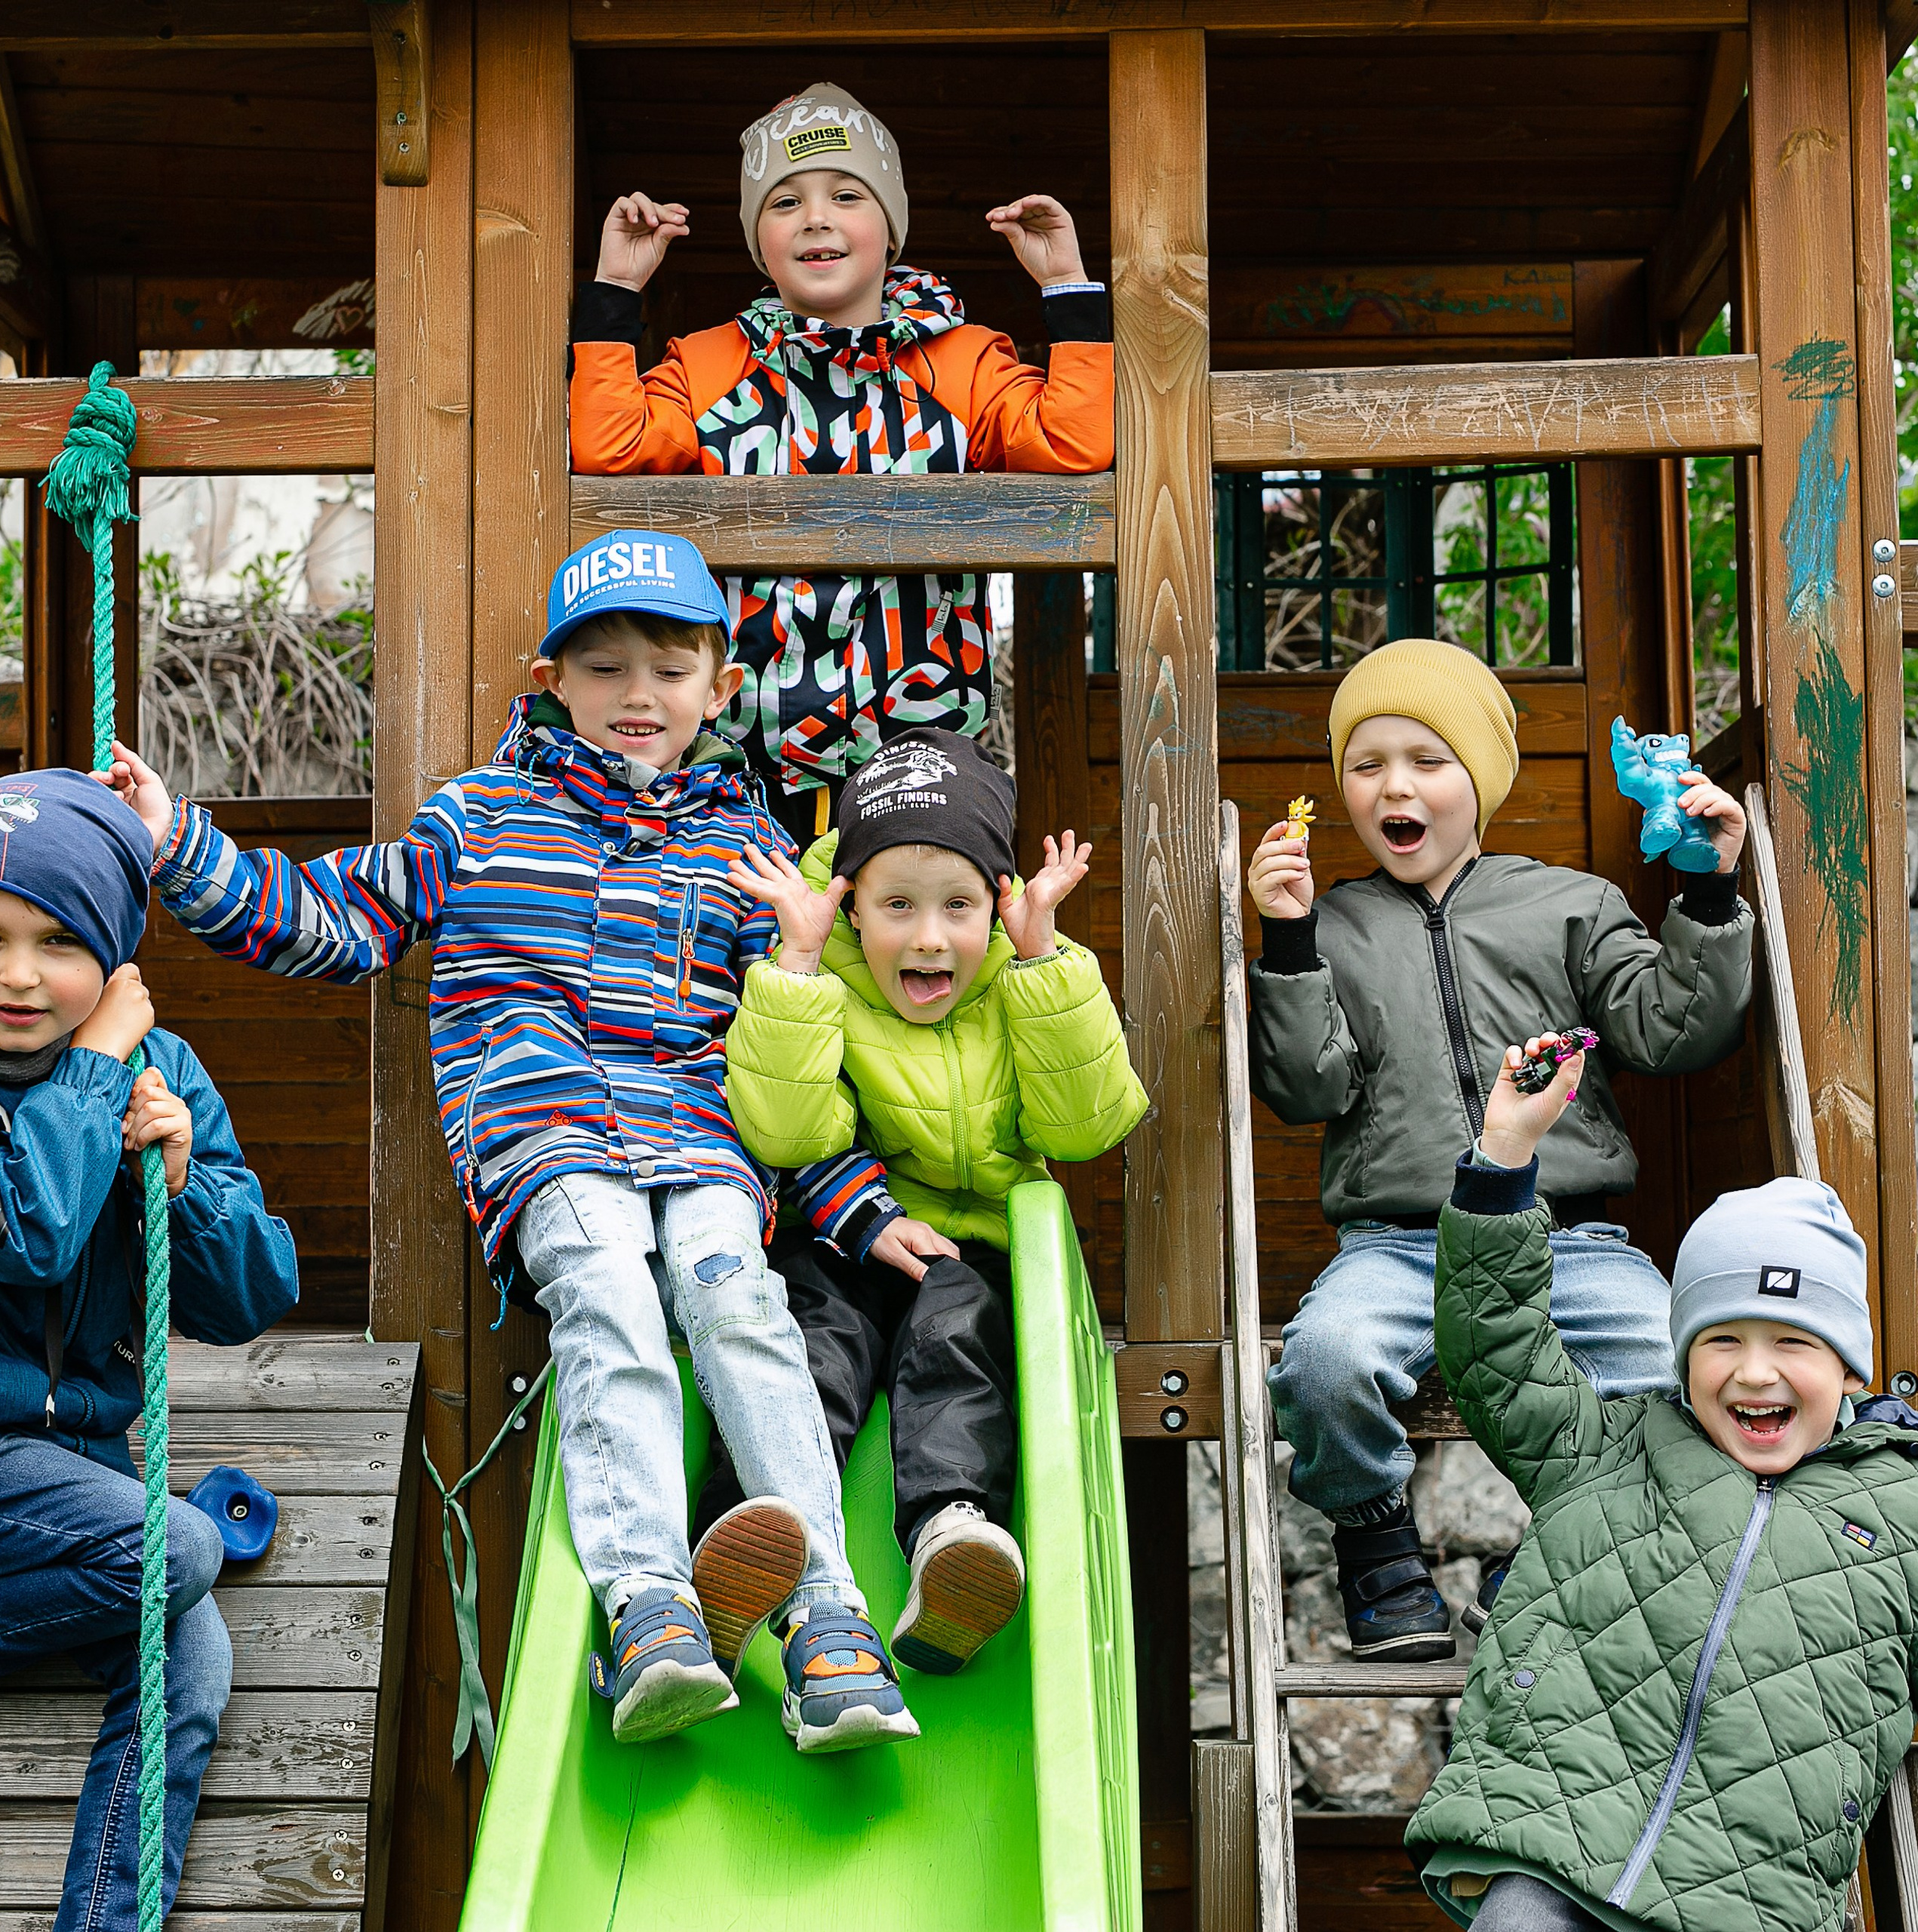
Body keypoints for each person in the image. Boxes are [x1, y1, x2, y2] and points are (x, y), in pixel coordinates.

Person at [104, 530, 921, 1755]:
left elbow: (787, 1064)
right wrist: (182, 846)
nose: (637, 696)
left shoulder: (747, 847)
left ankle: (830, 1624)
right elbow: (328, 918)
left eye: (667, 667)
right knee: (608, 1298)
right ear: (551, 682)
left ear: (720, 686)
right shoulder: (480, 821)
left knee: (739, 1303)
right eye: (603, 670)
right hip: (546, 1135)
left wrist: (856, 1204)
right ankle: (650, 1606)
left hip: (705, 1143)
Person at [1246, 638, 1754, 1661]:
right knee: (1324, 1362)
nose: (1395, 786)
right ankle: (1378, 1549)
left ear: (1479, 780)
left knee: (1679, 1375)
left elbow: (1673, 1028)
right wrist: (1291, 940)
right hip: (1399, 1246)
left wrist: (1706, 893)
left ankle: (1562, 1555)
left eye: (1428, 761)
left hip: (1571, 1242)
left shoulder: (1569, 903)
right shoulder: (1335, 921)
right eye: (1367, 763)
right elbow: (1309, 1088)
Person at [1409, 1033, 1918, 1932]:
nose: (1754, 1373)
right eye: (1721, 1340)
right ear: (1681, 1357)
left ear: (1849, 1372)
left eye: (1794, 1343)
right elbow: (1494, 1349)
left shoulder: (1907, 1512)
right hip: (1554, 1848)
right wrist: (1503, 1157)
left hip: (1749, 1898)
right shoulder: (1608, 1448)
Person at [568, 81, 1112, 844]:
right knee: (759, 955)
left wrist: (1065, 286)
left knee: (909, 945)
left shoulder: (959, 361)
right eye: (784, 202)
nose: (816, 216)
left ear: (889, 231)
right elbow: (611, 448)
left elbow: (1072, 441)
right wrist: (616, 291)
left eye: (847, 194)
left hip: (918, 748)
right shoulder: (710, 362)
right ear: (760, 242)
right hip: (743, 752)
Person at [719, 726, 1146, 1673]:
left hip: (975, 1243)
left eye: (958, 906)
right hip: (848, 1229)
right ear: (852, 910)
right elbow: (787, 1137)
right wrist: (792, 971)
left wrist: (1043, 968)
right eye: (897, 906)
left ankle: (954, 1536)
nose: (926, 935)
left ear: (996, 908)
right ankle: (752, 1533)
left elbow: (1084, 1129)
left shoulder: (1023, 979)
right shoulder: (821, 984)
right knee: (807, 1341)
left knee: (956, 1339)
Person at [0, 768, 300, 1928]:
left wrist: (179, 1188)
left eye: (57, 942)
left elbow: (249, 1298)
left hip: (70, 1479)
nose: (20, 975)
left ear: (115, 953)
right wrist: (89, 1071)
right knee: (176, 1549)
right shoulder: (102, 1065)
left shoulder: (159, 1073)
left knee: (189, 1661)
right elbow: (26, 1233)